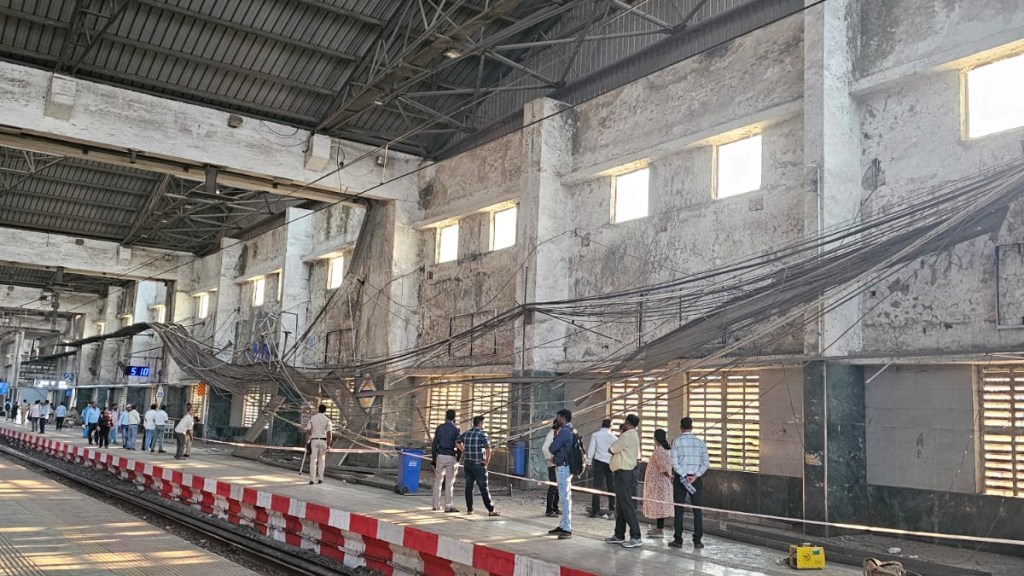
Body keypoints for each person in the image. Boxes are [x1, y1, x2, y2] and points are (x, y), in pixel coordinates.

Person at [670, 416, 710, 550]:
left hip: (681, 479)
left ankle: (678, 539)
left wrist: (684, 475)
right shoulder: (700, 442)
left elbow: (674, 463)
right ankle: (697, 541)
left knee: (679, 509)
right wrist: (695, 475)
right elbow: (706, 463)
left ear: (681, 427)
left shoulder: (676, 442)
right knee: (697, 510)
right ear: (692, 427)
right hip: (696, 480)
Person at [606, 414, 642, 548]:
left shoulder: (626, 436)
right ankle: (619, 534)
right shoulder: (635, 436)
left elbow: (611, 449)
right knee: (621, 505)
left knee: (626, 505)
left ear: (627, 423)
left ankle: (636, 536)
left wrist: (621, 434)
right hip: (628, 473)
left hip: (623, 474)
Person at [456, 415, 499, 517]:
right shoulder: (482, 434)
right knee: (483, 487)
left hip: (467, 464)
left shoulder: (467, 433)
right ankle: (491, 509)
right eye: (484, 423)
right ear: (480, 423)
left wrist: (464, 451)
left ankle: (469, 509)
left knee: (468, 487)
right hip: (478, 465)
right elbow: (488, 449)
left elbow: (457, 441)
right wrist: (486, 461)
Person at [547, 408, 575, 539]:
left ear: (563, 418)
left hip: (563, 467)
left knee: (564, 498)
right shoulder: (571, 430)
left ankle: (567, 528)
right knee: (564, 497)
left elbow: (553, 447)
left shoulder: (564, 431)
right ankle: (563, 525)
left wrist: (555, 438)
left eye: (558, 417)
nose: (557, 420)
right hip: (565, 465)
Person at [643, 429, 674, 538]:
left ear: (655, 438)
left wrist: (669, 476)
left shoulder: (659, 450)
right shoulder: (666, 450)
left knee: (660, 506)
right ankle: (658, 528)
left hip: (659, 483)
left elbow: (663, 468)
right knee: (659, 506)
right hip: (660, 482)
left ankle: (660, 530)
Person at [431, 409, 460, 512]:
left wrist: (434, 458)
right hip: (451, 456)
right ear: (454, 417)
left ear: (446, 416)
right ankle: (448, 506)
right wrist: (458, 458)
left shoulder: (439, 428)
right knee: (449, 482)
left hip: (440, 456)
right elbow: (458, 443)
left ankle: (435, 505)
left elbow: (434, 444)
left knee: (438, 480)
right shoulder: (456, 429)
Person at [587, 418, 617, 518]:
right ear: (610, 426)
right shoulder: (614, 437)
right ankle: (612, 508)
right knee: (611, 486)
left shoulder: (595, 435)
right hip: (610, 463)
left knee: (597, 486)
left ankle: (595, 510)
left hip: (599, 462)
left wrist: (589, 462)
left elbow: (591, 449)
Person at [305, 404, 334, 484]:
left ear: (318, 409)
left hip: (314, 441)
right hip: (323, 441)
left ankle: (312, 479)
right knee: (322, 460)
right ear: (325, 411)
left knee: (313, 460)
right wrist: (328, 445)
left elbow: (308, 431)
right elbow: (329, 434)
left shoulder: (312, 418)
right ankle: (320, 478)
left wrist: (306, 442)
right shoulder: (327, 420)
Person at [541, 420, 561, 518]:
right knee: (553, 486)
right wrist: (550, 458)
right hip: (552, 464)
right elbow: (544, 448)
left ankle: (555, 508)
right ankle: (549, 509)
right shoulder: (551, 435)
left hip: (556, 464)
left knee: (557, 486)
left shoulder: (557, 434)